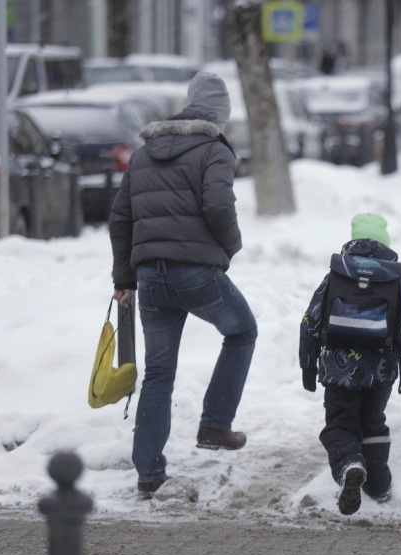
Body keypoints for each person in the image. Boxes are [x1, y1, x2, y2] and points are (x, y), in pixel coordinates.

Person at [109, 71, 258, 497]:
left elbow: (120, 217)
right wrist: (230, 247)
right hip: (196, 273)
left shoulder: (143, 153)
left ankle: (149, 473)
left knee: (158, 374)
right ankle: (215, 423)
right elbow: (217, 204)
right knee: (242, 331)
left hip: (150, 278)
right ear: (219, 117)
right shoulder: (215, 151)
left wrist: (124, 278)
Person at [298, 213, 401, 516]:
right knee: (372, 422)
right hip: (380, 370)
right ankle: (379, 487)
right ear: (385, 244)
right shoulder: (394, 279)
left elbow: (310, 320)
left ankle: (349, 465)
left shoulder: (337, 274)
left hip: (338, 369)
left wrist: (308, 364)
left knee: (340, 424)